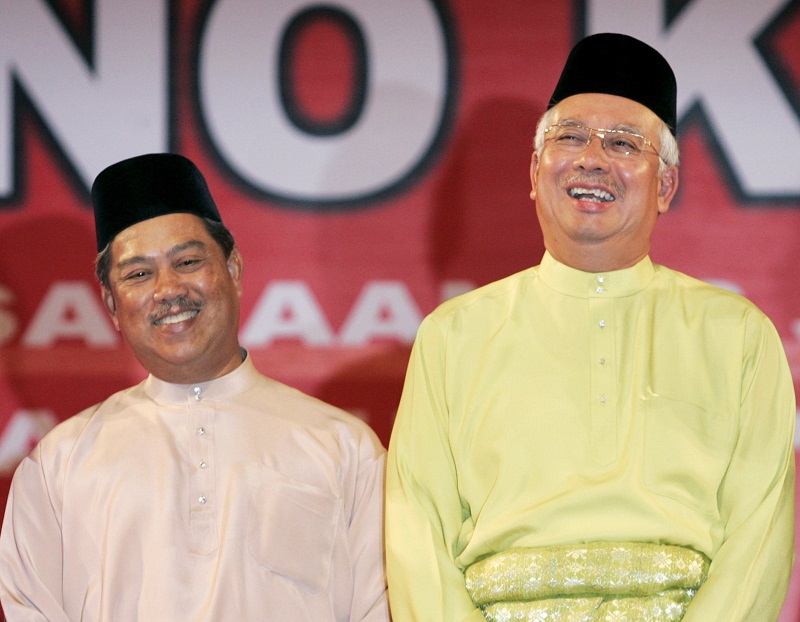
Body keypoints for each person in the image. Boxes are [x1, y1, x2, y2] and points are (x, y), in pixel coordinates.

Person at [385, 33, 795, 621]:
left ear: (666, 187)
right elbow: (415, 531)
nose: (591, 159)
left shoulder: (736, 336)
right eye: (569, 137)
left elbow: (759, 537)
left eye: (624, 143)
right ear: (533, 171)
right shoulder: (453, 336)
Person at [0, 153, 390, 621]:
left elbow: (378, 607)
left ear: (234, 270)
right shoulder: (59, 466)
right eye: (138, 274)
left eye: (187, 261)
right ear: (111, 304)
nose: (167, 289)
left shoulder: (344, 449)